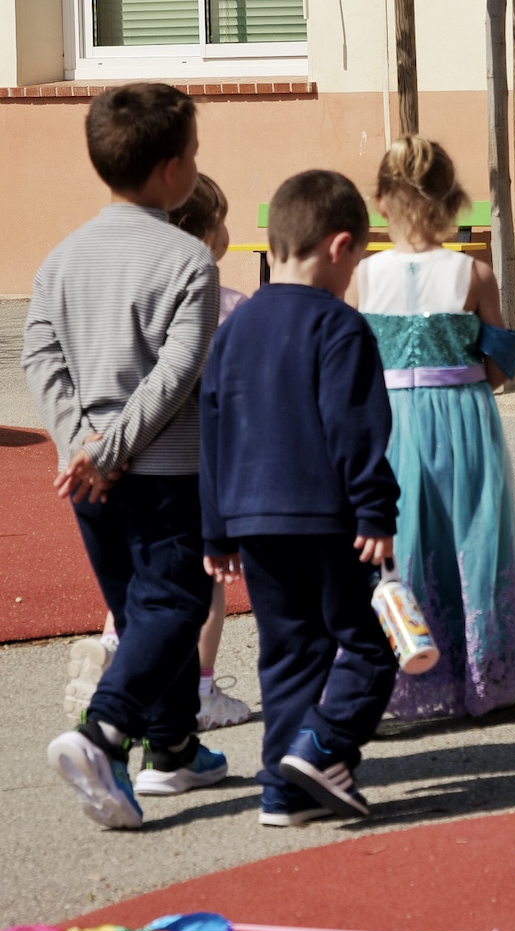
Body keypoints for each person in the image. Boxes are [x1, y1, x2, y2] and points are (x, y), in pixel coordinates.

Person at [25, 83, 229, 831]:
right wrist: (108, 451)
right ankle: (103, 734)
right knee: (174, 605)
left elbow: (40, 356)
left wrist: (81, 444)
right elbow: (176, 374)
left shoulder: (60, 258)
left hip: (89, 479)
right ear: (173, 169)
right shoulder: (189, 260)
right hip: (164, 471)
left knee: (140, 611)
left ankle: (172, 747)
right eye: (195, 154)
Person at [198, 170, 401, 827]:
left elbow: (212, 429)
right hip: (327, 517)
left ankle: (282, 793)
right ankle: (322, 745)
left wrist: (215, 529)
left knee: (288, 653)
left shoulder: (235, 327)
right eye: (357, 260)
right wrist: (376, 510)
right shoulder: (340, 326)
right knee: (371, 647)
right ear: (340, 247)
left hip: (252, 521)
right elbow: (356, 430)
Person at [356, 135, 515, 718]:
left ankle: (404, 669)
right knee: (475, 533)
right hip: (462, 417)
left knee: (401, 539)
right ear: (451, 200)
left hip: (390, 421)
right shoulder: (474, 273)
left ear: (380, 201)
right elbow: (498, 366)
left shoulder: (363, 276)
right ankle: (482, 670)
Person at [65, 172, 251, 732]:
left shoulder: (124, 294)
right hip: (190, 465)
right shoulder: (226, 304)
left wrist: (93, 442)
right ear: (206, 231)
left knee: (139, 585)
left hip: (112, 456)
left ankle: (116, 652)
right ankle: (200, 688)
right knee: (200, 586)